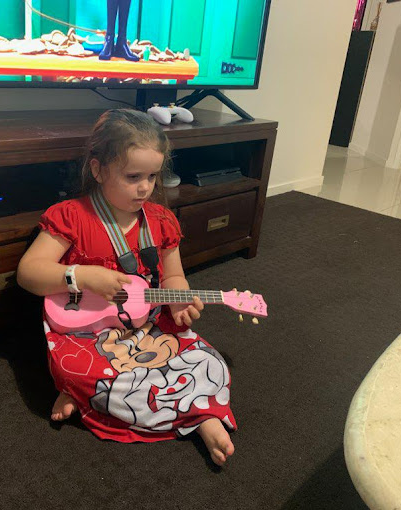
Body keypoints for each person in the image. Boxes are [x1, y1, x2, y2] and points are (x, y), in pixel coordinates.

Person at [17, 109, 236, 466]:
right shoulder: (72, 216)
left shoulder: (162, 221)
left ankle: (203, 418)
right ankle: (82, 391)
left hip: (146, 324)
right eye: (133, 176)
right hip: (85, 333)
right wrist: (82, 276)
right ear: (98, 170)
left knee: (211, 362)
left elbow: (173, 277)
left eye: (152, 176)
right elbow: (28, 273)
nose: (145, 187)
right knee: (79, 369)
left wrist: (179, 302)